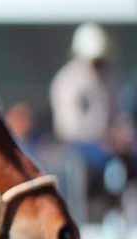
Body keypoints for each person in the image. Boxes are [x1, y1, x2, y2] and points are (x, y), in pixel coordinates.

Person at [50, 23, 124, 172]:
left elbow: (116, 113)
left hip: (106, 146)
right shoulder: (68, 81)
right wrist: (104, 139)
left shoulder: (107, 78)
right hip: (79, 148)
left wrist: (120, 132)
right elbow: (68, 126)